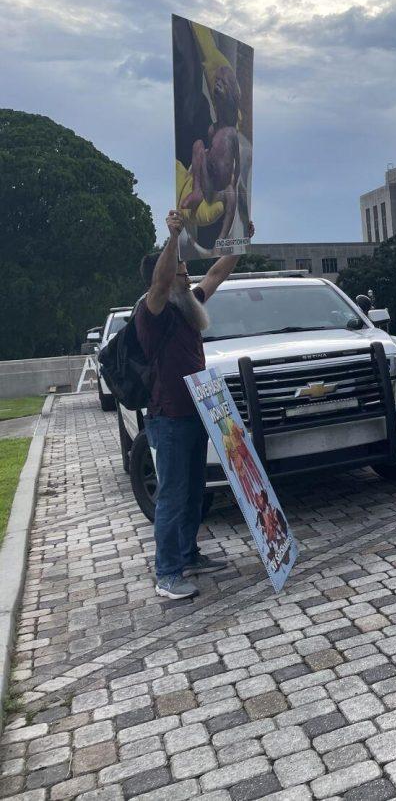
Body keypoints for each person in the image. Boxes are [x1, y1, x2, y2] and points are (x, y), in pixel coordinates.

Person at [137, 209, 252, 599]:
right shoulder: (152, 311)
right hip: (168, 419)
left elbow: (217, 274)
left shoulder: (188, 303)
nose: (188, 277)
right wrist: (173, 238)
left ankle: (188, 554)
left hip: (195, 415)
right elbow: (162, 280)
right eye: (181, 272)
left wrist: (239, 243)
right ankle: (167, 573)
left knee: (192, 492)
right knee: (171, 495)